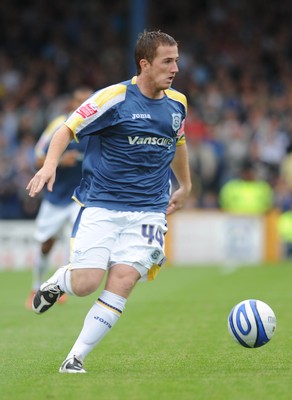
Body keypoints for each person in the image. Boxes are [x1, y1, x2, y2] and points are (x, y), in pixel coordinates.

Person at [26, 30, 192, 374]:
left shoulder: (178, 103)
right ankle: (59, 281)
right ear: (145, 64)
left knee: (124, 280)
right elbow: (67, 129)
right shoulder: (114, 98)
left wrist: (186, 185)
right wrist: (50, 164)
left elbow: (178, 143)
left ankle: (75, 358)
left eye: (176, 59)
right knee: (86, 283)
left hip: (149, 211)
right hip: (102, 205)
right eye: (168, 61)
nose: (176, 67)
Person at [25, 87, 93, 309]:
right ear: (71, 105)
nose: (83, 107)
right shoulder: (59, 126)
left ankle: (58, 288)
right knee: (46, 244)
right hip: (56, 198)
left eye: (87, 102)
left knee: (75, 243)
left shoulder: (98, 127)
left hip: (81, 198)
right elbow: (36, 160)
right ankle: (36, 287)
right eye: (79, 102)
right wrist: (59, 161)